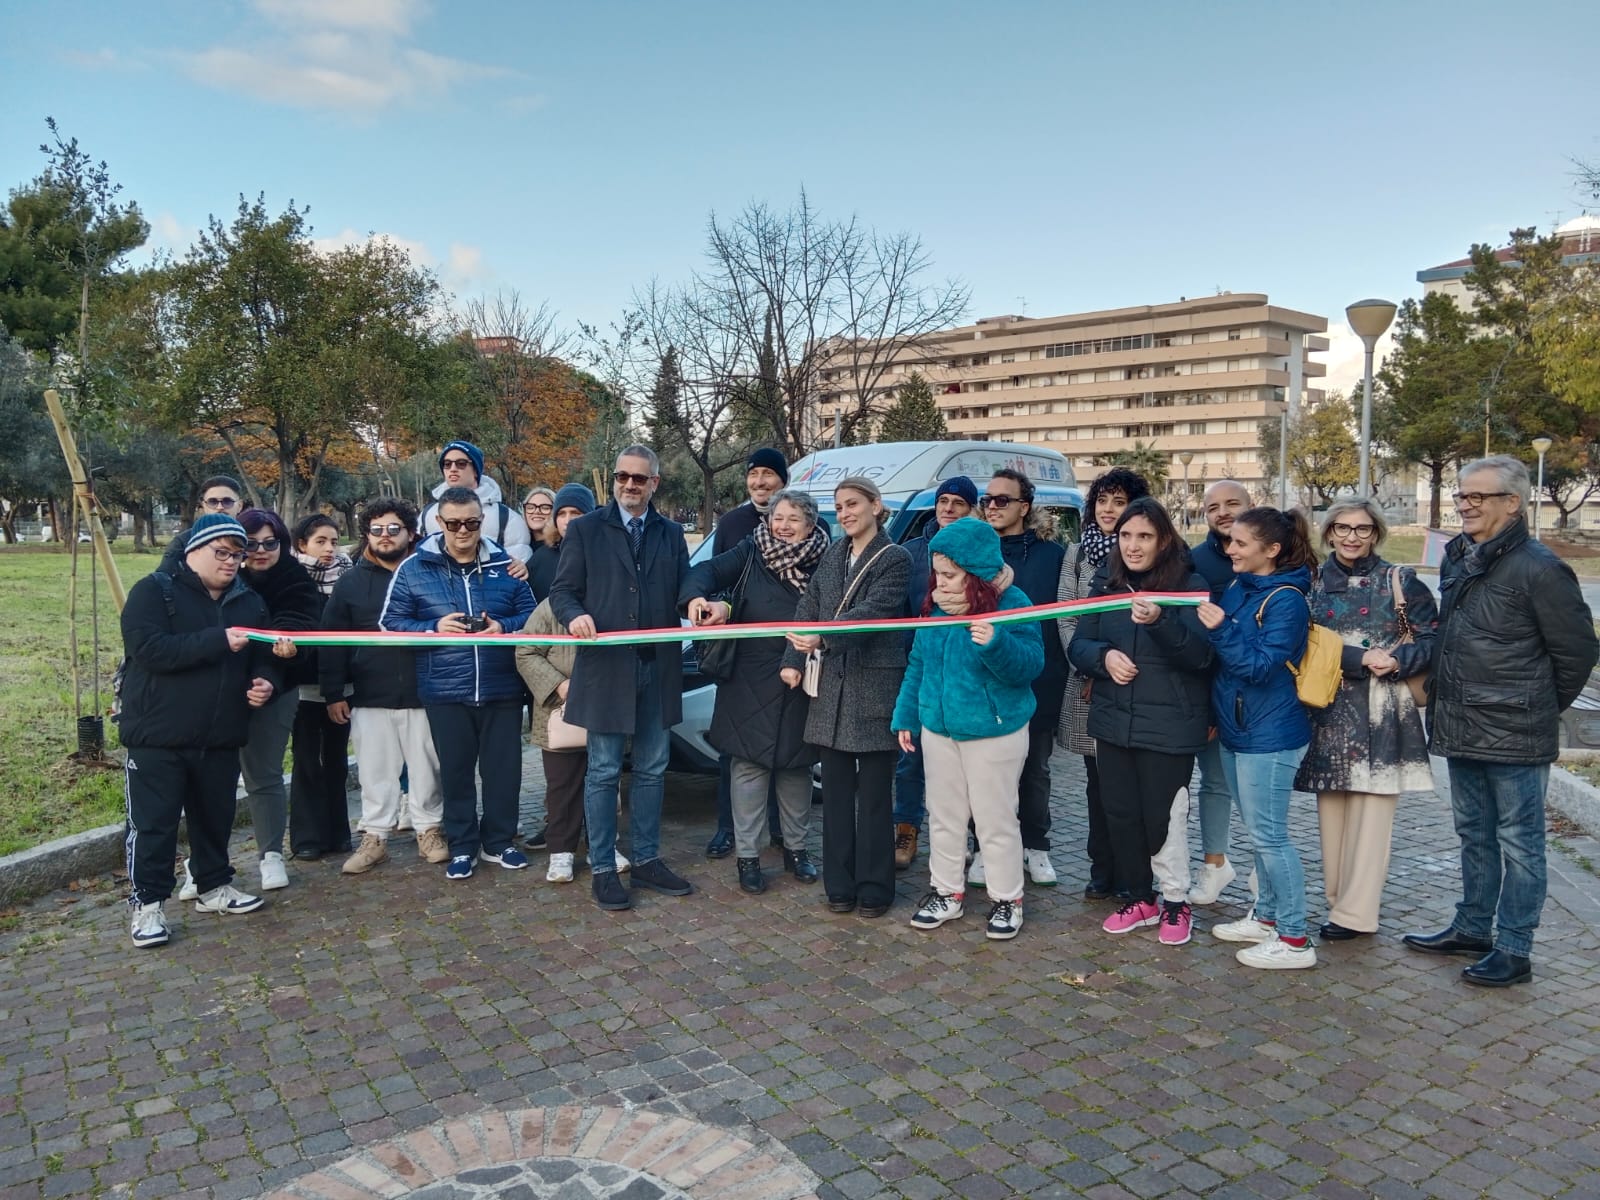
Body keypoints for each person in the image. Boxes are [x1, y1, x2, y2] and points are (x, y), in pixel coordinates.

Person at [1404, 456, 1599, 987]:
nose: (1464, 505)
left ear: (1512, 504)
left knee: (1521, 842)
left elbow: (1578, 651)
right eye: (1462, 496)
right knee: (1474, 834)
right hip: (1461, 722)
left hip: (1515, 730)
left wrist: (1535, 707)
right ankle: (1472, 928)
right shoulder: (1459, 557)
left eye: (1476, 497)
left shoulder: (1540, 567)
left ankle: (1515, 948)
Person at [122, 514, 282, 947]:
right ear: (194, 551)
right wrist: (218, 640)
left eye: (238, 554)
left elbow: (263, 654)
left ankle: (214, 886)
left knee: (215, 819)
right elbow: (148, 649)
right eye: (222, 553)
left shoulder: (248, 601)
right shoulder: (154, 591)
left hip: (220, 734)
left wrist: (266, 680)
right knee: (153, 824)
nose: (232, 562)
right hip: (157, 734)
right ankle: (148, 905)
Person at [550, 445, 695, 911]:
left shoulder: (672, 533)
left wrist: (699, 603)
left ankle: (648, 859)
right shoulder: (587, 529)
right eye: (622, 476)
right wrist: (574, 616)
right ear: (614, 480)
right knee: (605, 771)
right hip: (607, 670)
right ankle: (605, 868)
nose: (629, 485)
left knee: (653, 769)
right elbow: (563, 591)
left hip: (658, 667)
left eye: (639, 478)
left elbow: (685, 587)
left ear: (655, 483)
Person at [1068, 499, 1213, 946]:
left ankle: (1175, 901)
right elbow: (1078, 644)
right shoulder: (1105, 585)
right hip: (1113, 722)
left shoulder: (1190, 585)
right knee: (1121, 814)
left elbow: (1202, 655)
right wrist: (1103, 658)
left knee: (1164, 816)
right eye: (1126, 536)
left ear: (1163, 540)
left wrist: (1160, 623)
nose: (1132, 545)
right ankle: (1139, 897)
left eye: (1144, 536)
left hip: (1169, 726)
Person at [893, 518, 1043, 939]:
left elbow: (1031, 666)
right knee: (943, 815)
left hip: (994, 732)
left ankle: (1006, 899)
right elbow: (918, 664)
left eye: (950, 574)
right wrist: (907, 714)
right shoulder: (935, 606)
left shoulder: (1014, 602)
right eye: (936, 572)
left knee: (995, 819)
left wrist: (997, 644)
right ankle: (946, 891)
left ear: (975, 572)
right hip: (939, 729)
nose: (939, 581)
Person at [1294, 499, 1437, 941]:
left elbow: (1434, 639)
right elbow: (1301, 638)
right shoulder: (1312, 582)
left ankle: (1356, 914)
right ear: (1329, 532)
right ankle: (1339, 904)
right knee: (1332, 815)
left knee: (1373, 817)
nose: (1352, 536)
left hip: (1384, 708)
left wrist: (1397, 661)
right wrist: (1359, 656)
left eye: (1362, 529)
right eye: (1343, 528)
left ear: (1375, 533)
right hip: (1331, 707)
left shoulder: (1401, 580)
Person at [379, 486, 537, 879]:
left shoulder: (507, 564)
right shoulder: (413, 568)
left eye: (471, 522)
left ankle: (499, 842)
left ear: (482, 522)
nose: (462, 530)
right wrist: (434, 628)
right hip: (445, 689)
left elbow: (534, 618)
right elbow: (390, 623)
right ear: (439, 522)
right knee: (455, 772)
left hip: (501, 685)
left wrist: (502, 627)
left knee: (504, 772)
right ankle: (462, 846)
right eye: (453, 523)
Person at [682, 487, 831, 893]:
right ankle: (747, 856)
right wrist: (697, 598)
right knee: (748, 769)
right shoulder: (751, 550)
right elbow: (708, 572)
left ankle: (797, 850)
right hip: (748, 677)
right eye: (778, 518)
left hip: (802, 677)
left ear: (811, 525)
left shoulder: (828, 559)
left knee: (796, 769)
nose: (782, 527)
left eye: (793, 520)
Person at [781, 477, 911, 918]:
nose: (846, 513)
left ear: (876, 505)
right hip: (830, 689)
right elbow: (808, 607)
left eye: (853, 504)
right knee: (835, 797)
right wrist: (792, 659)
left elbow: (873, 612)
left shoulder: (896, 558)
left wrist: (822, 637)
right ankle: (839, 885)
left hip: (874, 687)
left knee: (875, 797)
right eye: (838, 507)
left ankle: (875, 888)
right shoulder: (834, 554)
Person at [1196, 507, 1318, 970]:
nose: (1230, 550)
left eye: (1241, 544)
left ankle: (1294, 938)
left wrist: (1221, 628)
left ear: (1272, 550)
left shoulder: (1286, 598)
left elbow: (1261, 667)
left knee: (1271, 837)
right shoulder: (1239, 587)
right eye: (1230, 541)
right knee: (1257, 830)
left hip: (1270, 733)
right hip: (1237, 727)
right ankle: (1266, 917)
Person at [318, 499, 450, 874]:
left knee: (426, 769)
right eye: (377, 530)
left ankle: (429, 830)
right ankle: (375, 836)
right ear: (366, 535)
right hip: (369, 693)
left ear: (410, 533)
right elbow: (331, 640)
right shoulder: (351, 583)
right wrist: (333, 692)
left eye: (394, 529)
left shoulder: (429, 575)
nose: (385, 536)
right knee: (375, 770)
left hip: (423, 692)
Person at [200, 508, 321, 897]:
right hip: (216, 688)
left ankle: (270, 854)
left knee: (264, 774)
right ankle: (202, 862)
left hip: (276, 688)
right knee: (208, 779)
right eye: (250, 544)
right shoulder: (216, 575)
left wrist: (286, 653)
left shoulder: (293, 577)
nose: (260, 551)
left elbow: (300, 622)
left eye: (271, 543)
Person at [1056, 467, 1150, 900]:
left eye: (1119, 502)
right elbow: (1067, 616)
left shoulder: (1152, 552)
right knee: (1098, 784)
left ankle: (1138, 873)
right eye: (1103, 501)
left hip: (1139, 683)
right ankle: (1102, 869)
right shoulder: (1077, 553)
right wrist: (1092, 662)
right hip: (1090, 682)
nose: (1109, 510)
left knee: (1136, 784)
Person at [973, 468, 1065, 888]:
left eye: (1002, 500)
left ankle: (1036, 845)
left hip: (1038, 678)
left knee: (1035, 769)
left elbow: (1062, 618)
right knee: (985, 772)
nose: (992, 506)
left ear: (1024, 507)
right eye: (988, 499)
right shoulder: (973, 552)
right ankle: (982, 848)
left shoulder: (1053, 555)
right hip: (984, 680)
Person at [705, 447, 791, 860]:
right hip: (741, 649)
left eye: (768, 475)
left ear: (783, 480)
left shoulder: (799, 519)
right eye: (753, 474)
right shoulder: (734, 523)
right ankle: (729, 827)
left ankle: (778, 828)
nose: (759, 482)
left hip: (784, 652)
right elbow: (720, 574)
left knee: (782, 744)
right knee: (735, 746)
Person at [515, 483, 601, 884]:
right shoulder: (548, 600)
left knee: (605, 778)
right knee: (562, 781)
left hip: (605, 702)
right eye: (562, 514)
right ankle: (561, 849)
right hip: (559, 706)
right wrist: (559, 686)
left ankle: (603, 844)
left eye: (577, 514)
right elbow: (527, 650)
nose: (569, 522)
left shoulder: (609, 595)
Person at [893, 475, 977, 872]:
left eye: (957, 502)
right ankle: (906, 830)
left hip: (965, 675)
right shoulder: (910, 553)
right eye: (943, 500)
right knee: (910, 760)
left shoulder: (981, 554)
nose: (947, 508)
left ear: (970, 510)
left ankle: (965, 838)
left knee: (965, 765)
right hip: (919, 671)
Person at [1184, 480, 1253, 907]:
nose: (1223, 512)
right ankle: (1214, 864)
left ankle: (1265, 868)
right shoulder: (1194, 562)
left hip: (1263, 695)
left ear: (1251, 506)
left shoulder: (1275, 558)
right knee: (1213, 783)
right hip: (1212, 690)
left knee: (1259, 788)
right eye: (1213, 507)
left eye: (1232, 504)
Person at [287, 513, 355, 861]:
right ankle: (306, 837)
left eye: (333, 540)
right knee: (306, 760)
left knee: (337, 761)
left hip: (342, 688)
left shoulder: (347, 577)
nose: (329, 549)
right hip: (302, 689)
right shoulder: (293, 580)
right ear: (302, 544)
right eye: (320, 542)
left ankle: (338, 832)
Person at [420, 440, 533, 568]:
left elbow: (517, 566)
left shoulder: (507, 518)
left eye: (461, 464)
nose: (453, 469)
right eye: (447, 464)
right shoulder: (427, 514)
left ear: (475, 470)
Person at [523, 487, 560, 602]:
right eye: (530, 507)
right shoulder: (517, 547)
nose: (537, 511)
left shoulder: (560, 549)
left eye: (545, 508)